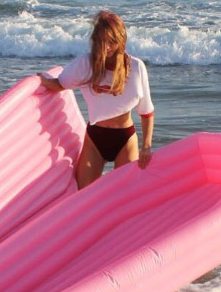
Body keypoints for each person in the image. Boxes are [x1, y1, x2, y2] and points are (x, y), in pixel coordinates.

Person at [38, 10, 155, 189]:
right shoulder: (86, 64)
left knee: (122, 196)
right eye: (102, 40)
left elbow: (146, 112)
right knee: (82, 195)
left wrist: (146, 146)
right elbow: (61, 83)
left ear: (121, 39)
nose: (107, 46)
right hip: (95, 138)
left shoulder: (136, 67)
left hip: (125, 139)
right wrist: (39, 81)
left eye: (111, 41)